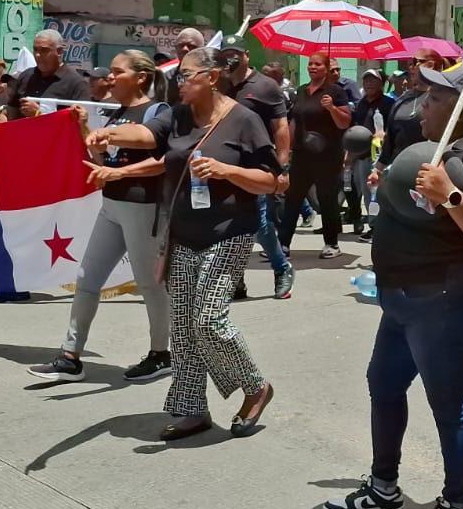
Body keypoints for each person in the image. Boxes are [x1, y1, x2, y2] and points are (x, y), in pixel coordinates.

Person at [322, 65, 463, 509]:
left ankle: (458, 506)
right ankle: (384, 489)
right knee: (383, 385)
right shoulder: (435, 149)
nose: (422, 105)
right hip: (400, 298)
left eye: (434, 99)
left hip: (442, 302)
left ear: (462, 110)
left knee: (448, 405)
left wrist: (451, 196)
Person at [88, 48, 279, 441]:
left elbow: (271, 181)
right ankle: (192, 409)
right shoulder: (177, 115)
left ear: (212, 77)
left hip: (228, 231)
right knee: (183, 326)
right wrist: (108, 133)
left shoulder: (244, 119)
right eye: (178, 76)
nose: (180, 82)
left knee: (207, 319)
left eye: (187, 75)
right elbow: (146, 135)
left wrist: (226, 170)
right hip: (182, 232)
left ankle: (256, 386)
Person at [29, 51, 174, 383]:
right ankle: (70, 357)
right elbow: (103, 159)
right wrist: (86, 129)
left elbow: (156, 151)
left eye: (117, 72)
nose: (109, 77)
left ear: (140, 77)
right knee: (87, 279)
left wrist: (110, 148)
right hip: (111, 206)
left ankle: (160, 354)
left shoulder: (158, 111)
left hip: (143, 207)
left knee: (149, 284)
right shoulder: (118, 112)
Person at [212, 36, 293, 299]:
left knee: (259, 223)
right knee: (227, 223)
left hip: (256, 165)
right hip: (224, 164)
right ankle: (236, 280)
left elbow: (280, 128)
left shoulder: (266, 86)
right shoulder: (219, 84)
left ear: (247, 55)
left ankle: (282, 268)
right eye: (226, 54)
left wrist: (282, 167)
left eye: (235, 53)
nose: (231, 59)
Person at [278, 52, 351, 259]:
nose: (312, 67)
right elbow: (294, 121)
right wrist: (287, 149)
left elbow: (345, 122)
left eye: (317, 64)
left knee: (327, 199)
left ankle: (331, 243)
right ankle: (283, 244)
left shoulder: (335, 92)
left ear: (326, 68)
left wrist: (332, 108)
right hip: (302, 155)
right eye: (310, 64)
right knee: (292, 198)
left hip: (327, 155)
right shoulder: (302, 90)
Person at [349, 68, 395, 240]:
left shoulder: (389, 104)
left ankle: (383, 226)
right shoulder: (360, 104)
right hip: (362, 155)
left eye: (373, 80)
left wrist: (384, 134)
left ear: (381, 84)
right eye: (366, 80)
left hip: (382, 157)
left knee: (381, 192)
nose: (369, 83)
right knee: (368, 193)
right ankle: (374, 225)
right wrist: (350, 155)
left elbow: (394, 127)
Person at [3, 29, 92, 117]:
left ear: (59, 52)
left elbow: (80, 121)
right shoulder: (26, 76)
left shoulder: (77, 83)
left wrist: (38, 113)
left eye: (44, 50)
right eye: (35, 50)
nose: (37, 55)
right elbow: (11, 111)